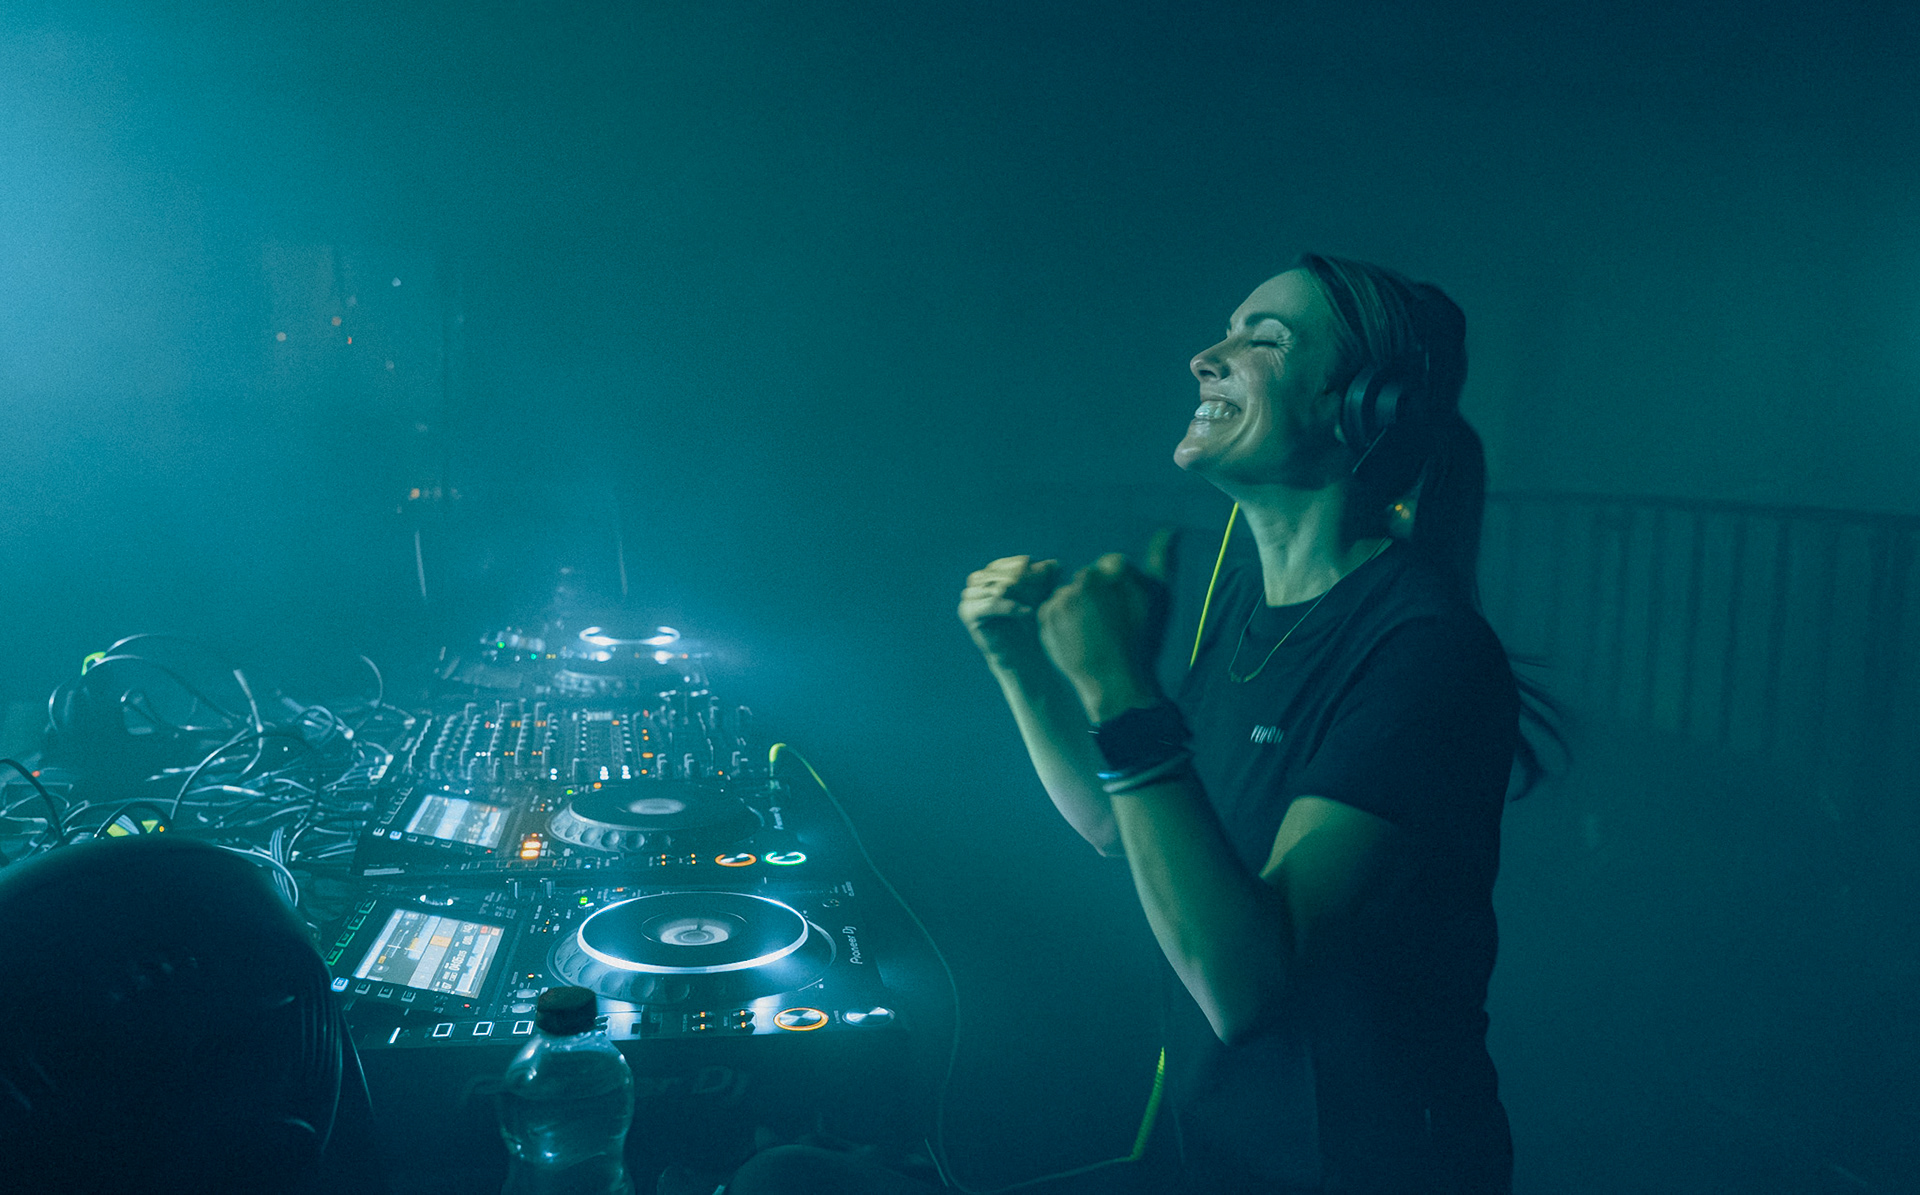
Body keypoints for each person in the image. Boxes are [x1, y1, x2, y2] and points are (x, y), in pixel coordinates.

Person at [954, 254, 1547, 1193]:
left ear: (1365, 406)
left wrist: (1119, 688)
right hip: (1222, 1155)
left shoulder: (1426, 650)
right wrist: (1018, 663)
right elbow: (1122, 825)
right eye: (1225, 331)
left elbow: (1248, 985)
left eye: (1262, 340)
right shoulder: (1240, 608)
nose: (1206, 357)